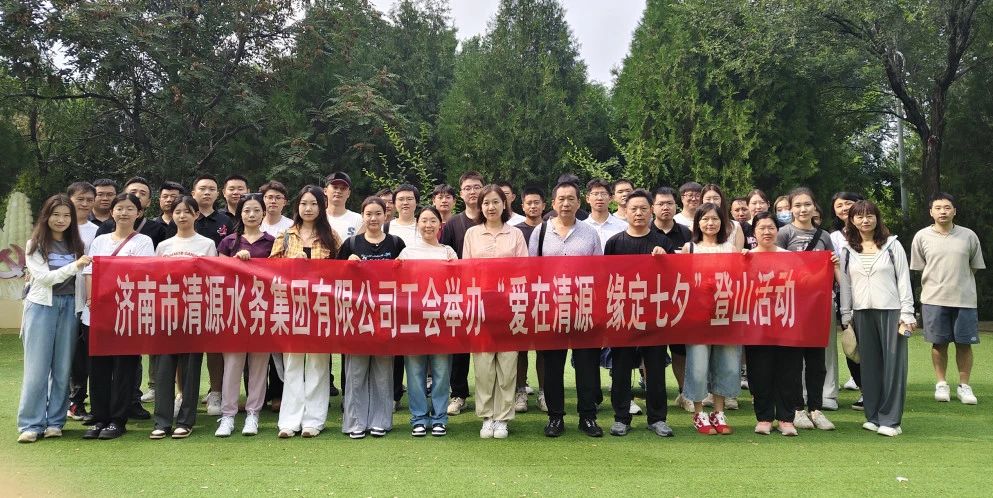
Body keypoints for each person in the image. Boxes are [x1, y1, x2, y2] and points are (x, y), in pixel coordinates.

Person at [529, 181, 605, 438]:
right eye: (561, 199)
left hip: (584, 307)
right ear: (553, 203)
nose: (565, 203)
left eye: (571, 198)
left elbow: (599, 272)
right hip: (551, 309)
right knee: (552, 365)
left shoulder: (589, 233)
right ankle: (555, 417)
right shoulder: (540, 232)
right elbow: (531, 272)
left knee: (587, 365)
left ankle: (588, 417)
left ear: (579, 202)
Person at [838, 200, 915, 437]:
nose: (865, 220)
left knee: (893, 366)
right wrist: (846, 314)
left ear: (877, 218)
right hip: (861, 313)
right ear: (852, 221)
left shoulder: (893, 245)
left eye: (870, 215)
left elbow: (904, 279)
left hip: (892, 312)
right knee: (869, 366)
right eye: (859, 216)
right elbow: (846, 285)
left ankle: (891, 420)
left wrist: (907, 312)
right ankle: (873, 416)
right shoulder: (847, 250)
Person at [82, 193, 155, 440]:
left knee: (125, 367)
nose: (124, 213)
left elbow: (142, 274)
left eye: (130, 209)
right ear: (112, 212)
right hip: (97, 313)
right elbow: (90, 272)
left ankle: (118, 420)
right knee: (98, 368)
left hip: (127, 313)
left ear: (139, 213)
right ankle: (99, 417)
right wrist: (92, 301)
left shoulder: (144, 241)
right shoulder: (99, 240)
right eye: (119, 208)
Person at [17, 195, 90, 443]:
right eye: (56, 214)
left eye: (66, 215)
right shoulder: (35, 244)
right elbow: (45, 278)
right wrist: (75, 265)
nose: (61, 220)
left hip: (70, 307)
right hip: (41, 307)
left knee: (62, 369)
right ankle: (31, 424)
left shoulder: (77, 244)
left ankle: (55, 422)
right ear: (46, 216)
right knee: (37, 370)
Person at [604, 189, 675, 438]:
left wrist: (666, 260)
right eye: (633, 208)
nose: (638, 213)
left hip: (654, 315)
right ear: (625, 211)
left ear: (651, 211)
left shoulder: (663, 243)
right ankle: (621, 417)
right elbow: (606, 280)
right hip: (622, 314)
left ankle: (658, 418)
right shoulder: (614, 242)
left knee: (655, 369)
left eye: (644, 208)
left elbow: (675, 279)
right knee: (621, 368)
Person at [270, 186, 341, 438]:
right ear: (297, 207)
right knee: (292, 363)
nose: (308, 208)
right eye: (303, 204)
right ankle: (289, 421)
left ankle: (314, 420)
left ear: (321, 207)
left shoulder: (331, 237)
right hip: (292, 307)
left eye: (313, 204)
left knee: (318, 363)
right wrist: (289, 266)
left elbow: (341, 272)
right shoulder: (285, 236)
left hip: (322, 308)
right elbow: (269, 270)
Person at [150, 196, 218, 440]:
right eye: (177, 211)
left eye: (187, 211)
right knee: (164, 368)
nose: (182, 216)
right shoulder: (163, 246)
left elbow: (212, 277)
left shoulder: (207, 244)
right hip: (166, 313)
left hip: (194, 312)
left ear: (196, 215)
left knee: (190, 369)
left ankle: (186, 421)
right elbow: (154, 278)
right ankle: (162, 421)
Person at [338, 196, 406, 439]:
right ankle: (355, 422)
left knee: (383, 372)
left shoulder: (396, 243)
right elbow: (334, 279)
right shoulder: (351, 243)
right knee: (356, 373)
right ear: (362, 216)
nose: (373, 218)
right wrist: (347, 264)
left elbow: (407, 277)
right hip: (357, 317)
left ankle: (381, 421)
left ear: (385, 215)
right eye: (369, 214)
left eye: (378, 213)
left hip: (386, 316)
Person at [463, 185, 527, 439]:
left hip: (509, 306)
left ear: (504, 204)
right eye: (486, 203)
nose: (491, 207)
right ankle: (487, 416)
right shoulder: (472, 234)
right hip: (481, 306)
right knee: (483, 365)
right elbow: (466, 271)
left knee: (508, 364)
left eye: (495, 202)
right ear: (480, 207)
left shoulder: (516, 234)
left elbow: (524, 270)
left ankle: (503, 418)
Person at [911, 193, 985, 405]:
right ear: (931, 212)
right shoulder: (921, 236)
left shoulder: (968, 236)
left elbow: (974, 266)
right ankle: (941, 383)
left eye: (947, 207)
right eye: (938, 208)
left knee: (964, 344)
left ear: (954, 211)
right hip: (934, 299)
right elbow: (920, 267)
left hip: (964, 299)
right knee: (939, 343)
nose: (942, 211)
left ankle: (964, 386)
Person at [776, 187, 838, 429]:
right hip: (791, 307)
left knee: (816, 362)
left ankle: (816, 408)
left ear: (814, 207)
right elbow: (774, 266)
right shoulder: (784, 233)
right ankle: (797, 409)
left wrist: (834, 263)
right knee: (793, 361)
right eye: (798, 205)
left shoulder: (824, 236)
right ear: (791, 208)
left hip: (817, 307)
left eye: (807, 204)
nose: (803, 209)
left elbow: (832, 269)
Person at [216, 193, 275, 437]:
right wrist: (235, 261)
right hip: (235, 310)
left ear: (264, 213)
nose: (251, 215)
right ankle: (228, 415)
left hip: (263, 309)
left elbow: (278, 273)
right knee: (232, 364)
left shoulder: (272, 242)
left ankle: (253, 413)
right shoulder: (228, 242)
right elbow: (219, 274)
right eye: (247, 210)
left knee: (259, 364)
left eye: (256, 210)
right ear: (240, 214)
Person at [681, 203, 740, 435]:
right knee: (698, 365)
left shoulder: (731, 249)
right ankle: (699, 413)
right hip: (697, 316)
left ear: (722, 222)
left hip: (725, 314)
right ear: (697, 223)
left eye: (715, 219)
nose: (710, 223)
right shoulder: (689, 248)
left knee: (726, 364)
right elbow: (681, 280)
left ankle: (718, 411)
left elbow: (740, 279)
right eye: (705, 219)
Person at [397, 207, 457, 437]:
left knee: (441, 371)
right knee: (414, 372)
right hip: (413, 320)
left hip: (441, 320)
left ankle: (439, 417)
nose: (428, 225)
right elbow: (397, 284)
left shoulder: (448, 252)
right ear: (417, 224)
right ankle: (419, 418)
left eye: (433, 220)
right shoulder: (407, 253)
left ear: (440, 225)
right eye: (424, 220)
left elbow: (458, 284)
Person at [743, 212, 801, 436]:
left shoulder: (790, 257)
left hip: (786, 321)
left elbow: (804, 284)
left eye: (771, 228)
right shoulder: (746, 257)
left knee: (789, 370)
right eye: (761, 228)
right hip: (757, 323)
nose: (766, 232)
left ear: (777, 231)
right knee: (759, 371)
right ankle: (764, 417)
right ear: (754, 232)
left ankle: (786, 418)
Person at [440, 171, 485, 416]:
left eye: (477, 187)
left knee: (487, 347)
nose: (473, 191)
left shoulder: (492, 219)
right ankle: (458, 394)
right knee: (459, 348)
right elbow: (446, 257)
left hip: (488, 293)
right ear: (461, 193)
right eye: (467, 188)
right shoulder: (453, 224)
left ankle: (491, 395)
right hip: (459, 294)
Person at [190, 174, 234, 417]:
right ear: (193, 192)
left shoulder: (227, 220)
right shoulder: (184, 215)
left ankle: (216, 391)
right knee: (187, 343)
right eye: (202, 188)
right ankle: (184, 394)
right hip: (187, 291)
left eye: (211, 189)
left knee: (216, 344)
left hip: (219, 290)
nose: (207, 192)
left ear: (218, 194)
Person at [650, 186, 693, 411]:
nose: (665, 207)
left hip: (679, 300)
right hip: (650, 300)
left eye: (669, 203)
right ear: (653, 207)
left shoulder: (686, 233)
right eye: (660, 204)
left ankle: (684, 392)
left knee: (680, 350)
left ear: (676, 206)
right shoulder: (645, 230)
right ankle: (652, 392)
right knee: (651, 351)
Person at [66, 183, 100, 422]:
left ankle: (78, 401)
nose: (85, 203)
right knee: (64, 352)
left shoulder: (98, 231)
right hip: (63, 295)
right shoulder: (59, 226)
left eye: (89, 199)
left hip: (88, 299)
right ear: (69, 199)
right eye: (80, 199)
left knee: (83, 353)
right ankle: (63, 402)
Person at [830, 191, 865, 404]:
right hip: (845, 295)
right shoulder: (833, 237)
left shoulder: (873, 231)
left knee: (872, 344)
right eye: (839, 205)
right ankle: (864, 390)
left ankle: (880, 388)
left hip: (871, 293)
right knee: (852, 343)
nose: (844, 208)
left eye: (848, 203)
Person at [514, 186, 547, 412]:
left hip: (545, 294)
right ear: (522, 206)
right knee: (520, 347)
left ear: (544, 205)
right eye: (529, 203)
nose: (533, 206)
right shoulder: (515, 231)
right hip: (520, 294)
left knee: (544, 347)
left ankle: (544, 392)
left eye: (537, 202)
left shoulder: (551, 229)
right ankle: (520, 391)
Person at [583, 179, 628, 251]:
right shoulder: (580, 228)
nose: (599, 198)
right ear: (588, 199)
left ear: (610, 198)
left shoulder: (624, 227)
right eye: (595, 194)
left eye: (603, 194)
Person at [325, 171, 363, 240]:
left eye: (343, 188)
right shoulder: (318, 217)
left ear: (348, 193)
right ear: (325, 191)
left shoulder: (358, 219)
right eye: (335, 187)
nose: (338, 191)